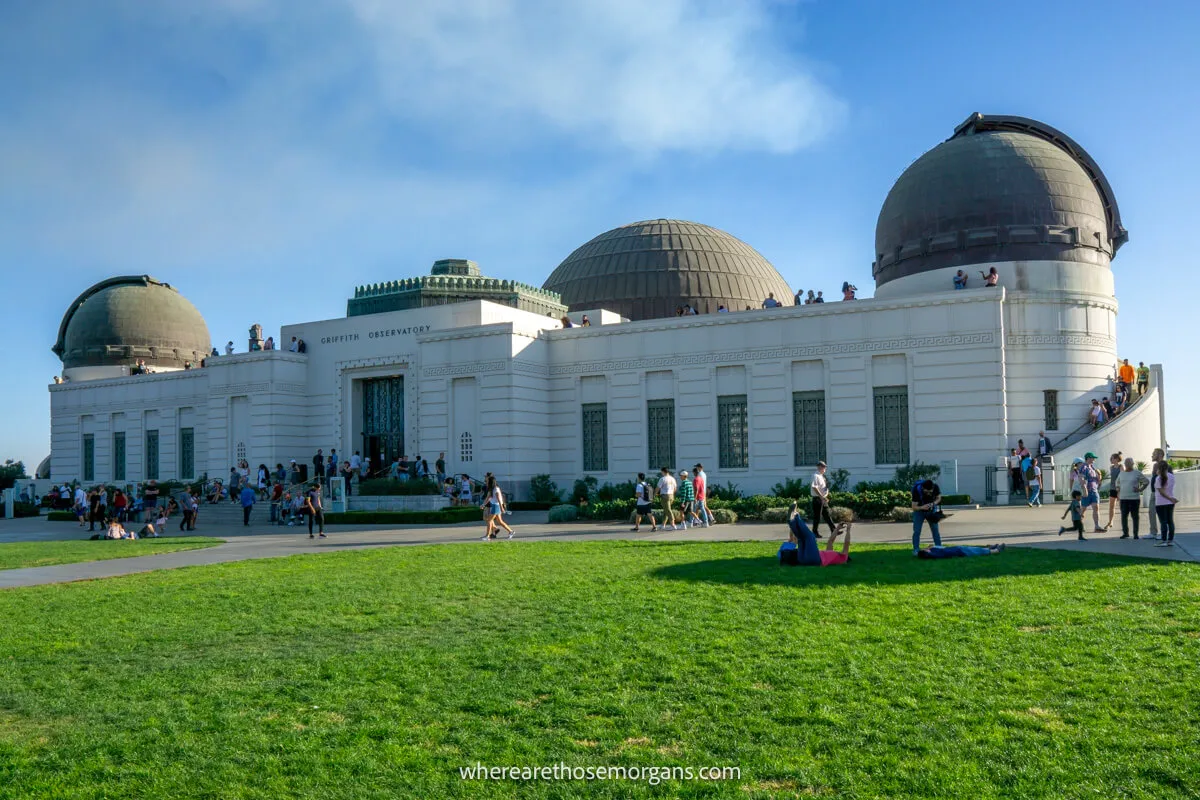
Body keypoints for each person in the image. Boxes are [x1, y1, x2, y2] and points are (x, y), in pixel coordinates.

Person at [780, 502, 853, 567]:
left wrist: (848, 529)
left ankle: (796, 516)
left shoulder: (843, 558)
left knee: (810, 537)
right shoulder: (831, 554)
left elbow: (847, 543)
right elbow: (830, 541)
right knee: (801, 538)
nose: (841, 552)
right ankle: (791, 521)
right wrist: (837, 529)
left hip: (814, 559)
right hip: (804, 559)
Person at [1116, 457, 1149, 539]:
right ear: (1125, 464)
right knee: (1124, 516)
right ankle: (1125, 533)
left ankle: (1135, 534)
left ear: (1132, 464)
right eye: (1126, 463)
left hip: (1134, 499)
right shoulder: (1121, 473)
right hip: (1123, 499)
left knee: (1135, 517)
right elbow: (1117, 482)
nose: (1128, 465)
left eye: (1129, 463)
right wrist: (1118, 489)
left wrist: (1140, 489)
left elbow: (1146, 481)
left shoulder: (1137, 473)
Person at [911, 477, 944, 555]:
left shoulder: (935, 487)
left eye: (930, 492)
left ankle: (939, 547)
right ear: (923, 488)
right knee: (917, 531)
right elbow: (913, 507)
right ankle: (916, 550)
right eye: (927, 491)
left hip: (931, 510)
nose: (929, 493)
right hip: (919, 512)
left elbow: (939, 498)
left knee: (935, 530)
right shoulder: (916, 490)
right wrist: (922, 507)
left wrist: (933, 504)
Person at [1152, 461, 1178, 547]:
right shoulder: (1171, 476)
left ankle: (1163, 540)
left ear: (1159, 468)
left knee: (1163, 522)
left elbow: (1161, 492)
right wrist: (1171, 498)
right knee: (1170, 521)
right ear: (1167, 467)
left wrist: (1170, 498)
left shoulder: (1158, 478)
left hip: (1160, 503)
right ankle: (1170, 540)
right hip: (1170, 503)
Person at [481, 475, 514, 540]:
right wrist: (483, 505)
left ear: (491, 482)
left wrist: (502, 508)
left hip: (496, 506)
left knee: (489, 520)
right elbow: (489, 498)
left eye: (487, 481)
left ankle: (487, 536)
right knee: (500, 521)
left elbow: (499, 498)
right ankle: (511, 531)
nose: (486, 482)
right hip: (494, 505)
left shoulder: (496, 488)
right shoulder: (491, 489)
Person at [809, 460, 837, 537]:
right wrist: (821, 497)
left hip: (822, 499)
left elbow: (822, 488)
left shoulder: (821, 476)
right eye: (824, 467)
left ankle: (834, 530)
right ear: (819, 467)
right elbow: (814, 487)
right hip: (817, 499)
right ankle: (814, 532)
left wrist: (825, 495)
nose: (825, 469)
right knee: (817, 517)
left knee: (827, 515)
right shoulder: (815, 476)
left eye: (825, 467)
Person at [1080, 452, 1104, 532]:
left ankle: (1097, 526)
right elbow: (1081, 479)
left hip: (1094, 491)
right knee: (1083, 509)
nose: (1094, 459)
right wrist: (1084, 489)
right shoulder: (1084, 467)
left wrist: (1099, 478)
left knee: (1096, 508)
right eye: (1093, 458)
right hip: (1087, 491)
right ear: (1088, 458)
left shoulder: (1093, 468)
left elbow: (1096, 480)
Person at [1147, 447, 1165, 539]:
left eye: (1154, 454)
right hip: (1153, 493)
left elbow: (1167, 479)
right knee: (1151, 512)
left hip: (1160, 493)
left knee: (1161, 514)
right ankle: (1153, 532)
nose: (1152, 455)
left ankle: (1163, 534)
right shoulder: (1155, 466)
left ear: (1160, 455)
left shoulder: (1164, 465)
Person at [1103, 452, 1123, 531]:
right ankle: (1110, 522)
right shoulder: (1111, 467)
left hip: (1120, 489)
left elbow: (1122, 478)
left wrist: (1119, 491)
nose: (1110, 459)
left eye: (1112, 458)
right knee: (1111, 506)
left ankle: (1123, 524)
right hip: (1112, 488)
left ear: (1117, 459)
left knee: (1122, 507)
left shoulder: (1121, 467)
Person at [918, 544, 1006, 559]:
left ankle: (990, 548)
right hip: (959, 551)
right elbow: (931, 549)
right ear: (927, 552)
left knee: (974, 549)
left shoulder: (933, 551)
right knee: (977, 551)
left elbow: (931, 546)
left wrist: (928, 548)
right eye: (924, 549)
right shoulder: (935, 553)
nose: (926, 548)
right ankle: (996, 550)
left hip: (958, 549)